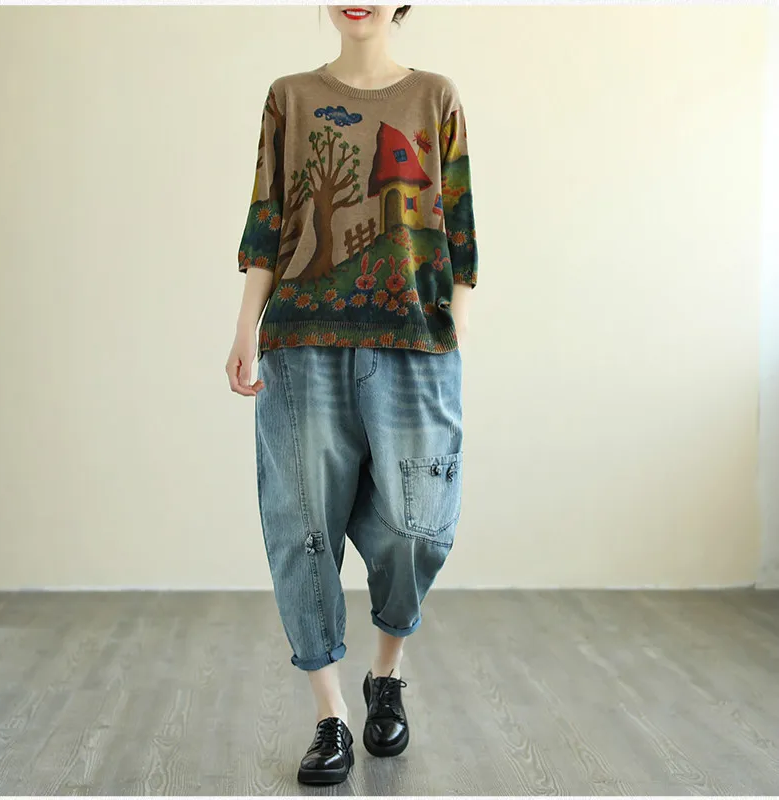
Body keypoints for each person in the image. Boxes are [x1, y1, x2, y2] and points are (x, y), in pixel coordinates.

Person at [226, 4, 479, 786]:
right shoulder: (290, 97)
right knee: (303, 526)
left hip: (415, 342)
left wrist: (454, 333)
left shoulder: (435, 96)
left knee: (415, 527)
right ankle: (330, 715)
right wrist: (244, 327)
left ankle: (386, 673)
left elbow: (461, 229)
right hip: (301, 342)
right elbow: (268, 223)